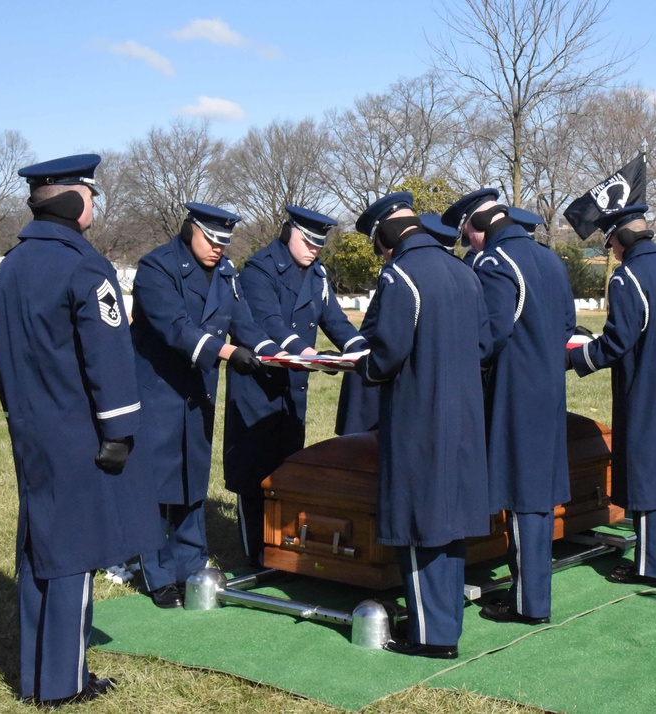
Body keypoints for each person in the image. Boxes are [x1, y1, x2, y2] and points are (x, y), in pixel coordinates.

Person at [0, 154, 162, 706]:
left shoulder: (10, 265)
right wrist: (119, 431)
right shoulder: (86, 267)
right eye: (91, 192)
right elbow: (108, 357)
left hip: (31, 429)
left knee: (40, 549)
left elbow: (0, 357)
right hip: (79, 434)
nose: (94, 203)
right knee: (72, 557)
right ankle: (61, 685)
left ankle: (40, 676)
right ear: (74, 198)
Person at [354, 192, 492, 659]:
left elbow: (389, 352)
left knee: (421, 524)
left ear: (387, 237)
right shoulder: (463, 271)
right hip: (465, 414)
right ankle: (443, 623)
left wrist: (361, 367)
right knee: (449, 524)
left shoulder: (401, 274)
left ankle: (432, 637)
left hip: (420, 415)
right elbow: (483, 343)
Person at [131, 202, 285, 608]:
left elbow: (244, 321)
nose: (218, 249)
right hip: (159, 389)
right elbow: (175, 327)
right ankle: (159, 574)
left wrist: (278, 356)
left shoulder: (225, 272)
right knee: (158, 484)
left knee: (191, 481)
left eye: (224, 242)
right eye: (212, 240)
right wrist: (227, 353)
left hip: (198, 391)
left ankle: (191, 565)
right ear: (189, 230)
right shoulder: (156, 267)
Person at [442, 189, 574, 624]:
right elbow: (568, 324)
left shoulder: (495, 262)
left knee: (523, 497)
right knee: (534, 498)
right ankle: (531, 595)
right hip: (549, 388)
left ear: (474, 228)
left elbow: (488, 335)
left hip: (513, 392)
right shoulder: (550, 259)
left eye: (467, 236)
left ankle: (529, 604)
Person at [224, 206, 366, 565]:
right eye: (307, 241)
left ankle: (280, 547)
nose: (314, 249)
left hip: (292, 387)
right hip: (260, 384)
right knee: (253, 470)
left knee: (286, 467)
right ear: (289, 232)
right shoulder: (259, 268)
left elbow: (335, 320)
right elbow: (269, 321)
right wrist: (310, 355)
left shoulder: (317, 275)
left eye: (320, 244)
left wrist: (361, 351)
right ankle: (254, 552)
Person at [567, 204, 656, 588]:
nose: (612, 252)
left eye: (610, 243)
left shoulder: (629, 277)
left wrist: (575, 357)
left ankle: (651, 566)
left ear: (620, 237)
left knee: (648, 476)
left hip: (646, 388)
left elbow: (619, 341)